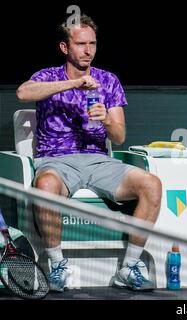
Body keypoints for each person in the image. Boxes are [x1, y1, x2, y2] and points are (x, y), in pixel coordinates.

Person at [16, 15, 162, 292]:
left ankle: (129, 267)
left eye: (92, 43)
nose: (88, 50)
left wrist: (107, 119)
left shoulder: (108, 80)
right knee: (45, 185)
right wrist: (74, 84)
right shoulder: (47, 76)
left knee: (151, 184)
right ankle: (57, 265)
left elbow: (119, 136)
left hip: (98, 160)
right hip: (56, 161)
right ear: (64, 47)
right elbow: (24, 92)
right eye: (81, 44)